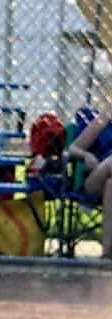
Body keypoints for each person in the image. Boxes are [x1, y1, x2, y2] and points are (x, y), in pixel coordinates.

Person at [68, 106, 112, 260]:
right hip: (95, 180)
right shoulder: (104, 119)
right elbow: (73, 148)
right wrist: (86, 156)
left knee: (111, 186)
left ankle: (108, 254)